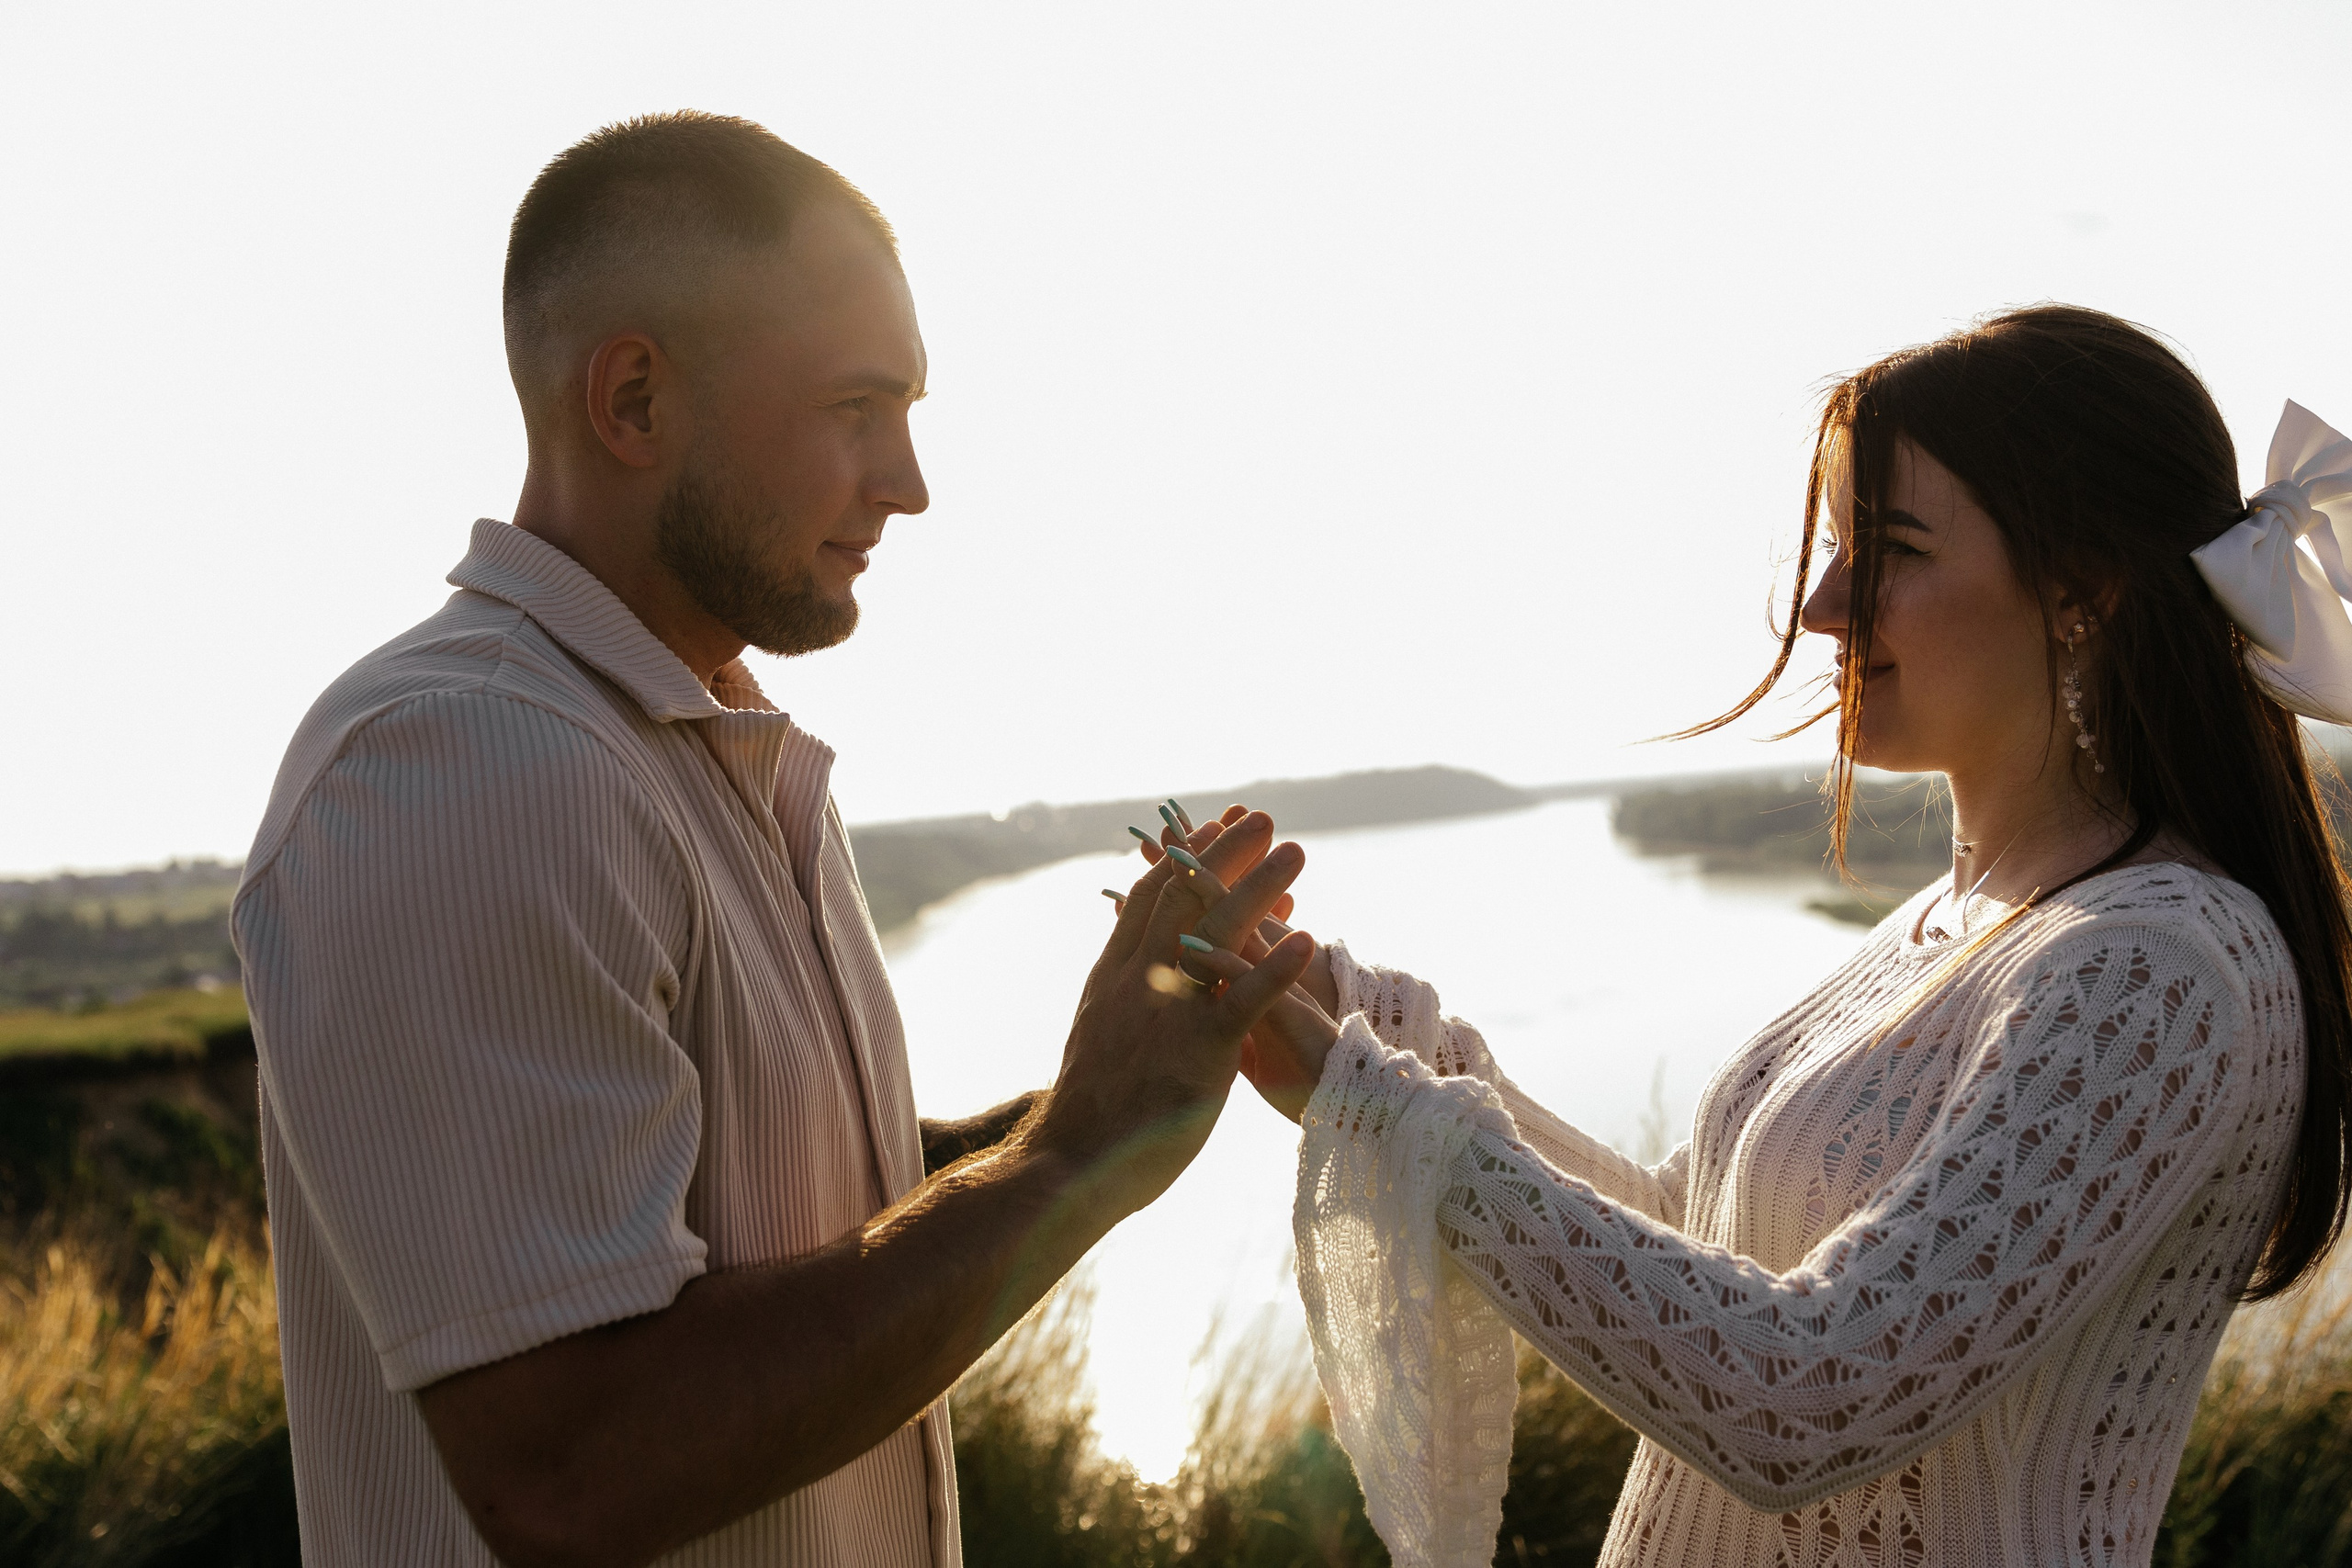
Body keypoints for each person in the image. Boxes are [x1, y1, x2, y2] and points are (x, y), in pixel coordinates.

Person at [232, 110, 1315, 1568]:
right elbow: (572, 1464)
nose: (909, 482)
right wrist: (1073, 1155)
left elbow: (799, 1218)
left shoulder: (703, 753)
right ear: (631, 399)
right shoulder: (471, 765)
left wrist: (1132, 1074)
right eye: (857, 409)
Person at [1214, 307, 2352, 1568]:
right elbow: (1693, 1235)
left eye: (1894, 548)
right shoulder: (1957, 922)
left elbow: (1805, 1396)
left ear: (2083, 589)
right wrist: (1367, 1023)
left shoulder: (2157, 967)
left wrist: (1370, 1101)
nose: (1824, 603)